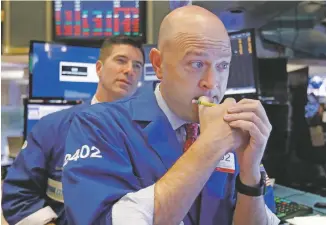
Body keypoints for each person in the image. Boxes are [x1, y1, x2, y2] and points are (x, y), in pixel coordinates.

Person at [62, 5, 279, 225]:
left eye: (223, 65)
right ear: (158, 64)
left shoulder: (233, 131)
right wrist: (209, 146)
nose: (212, 83)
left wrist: (250, 174)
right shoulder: (98, 125)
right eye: (196, 64)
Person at [1, 35, 145, 225]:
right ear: (99, 68)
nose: (129, 71)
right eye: (121, 61)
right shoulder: (51, 127)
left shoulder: (148, 135)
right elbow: (18, 195)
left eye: (137, 66)